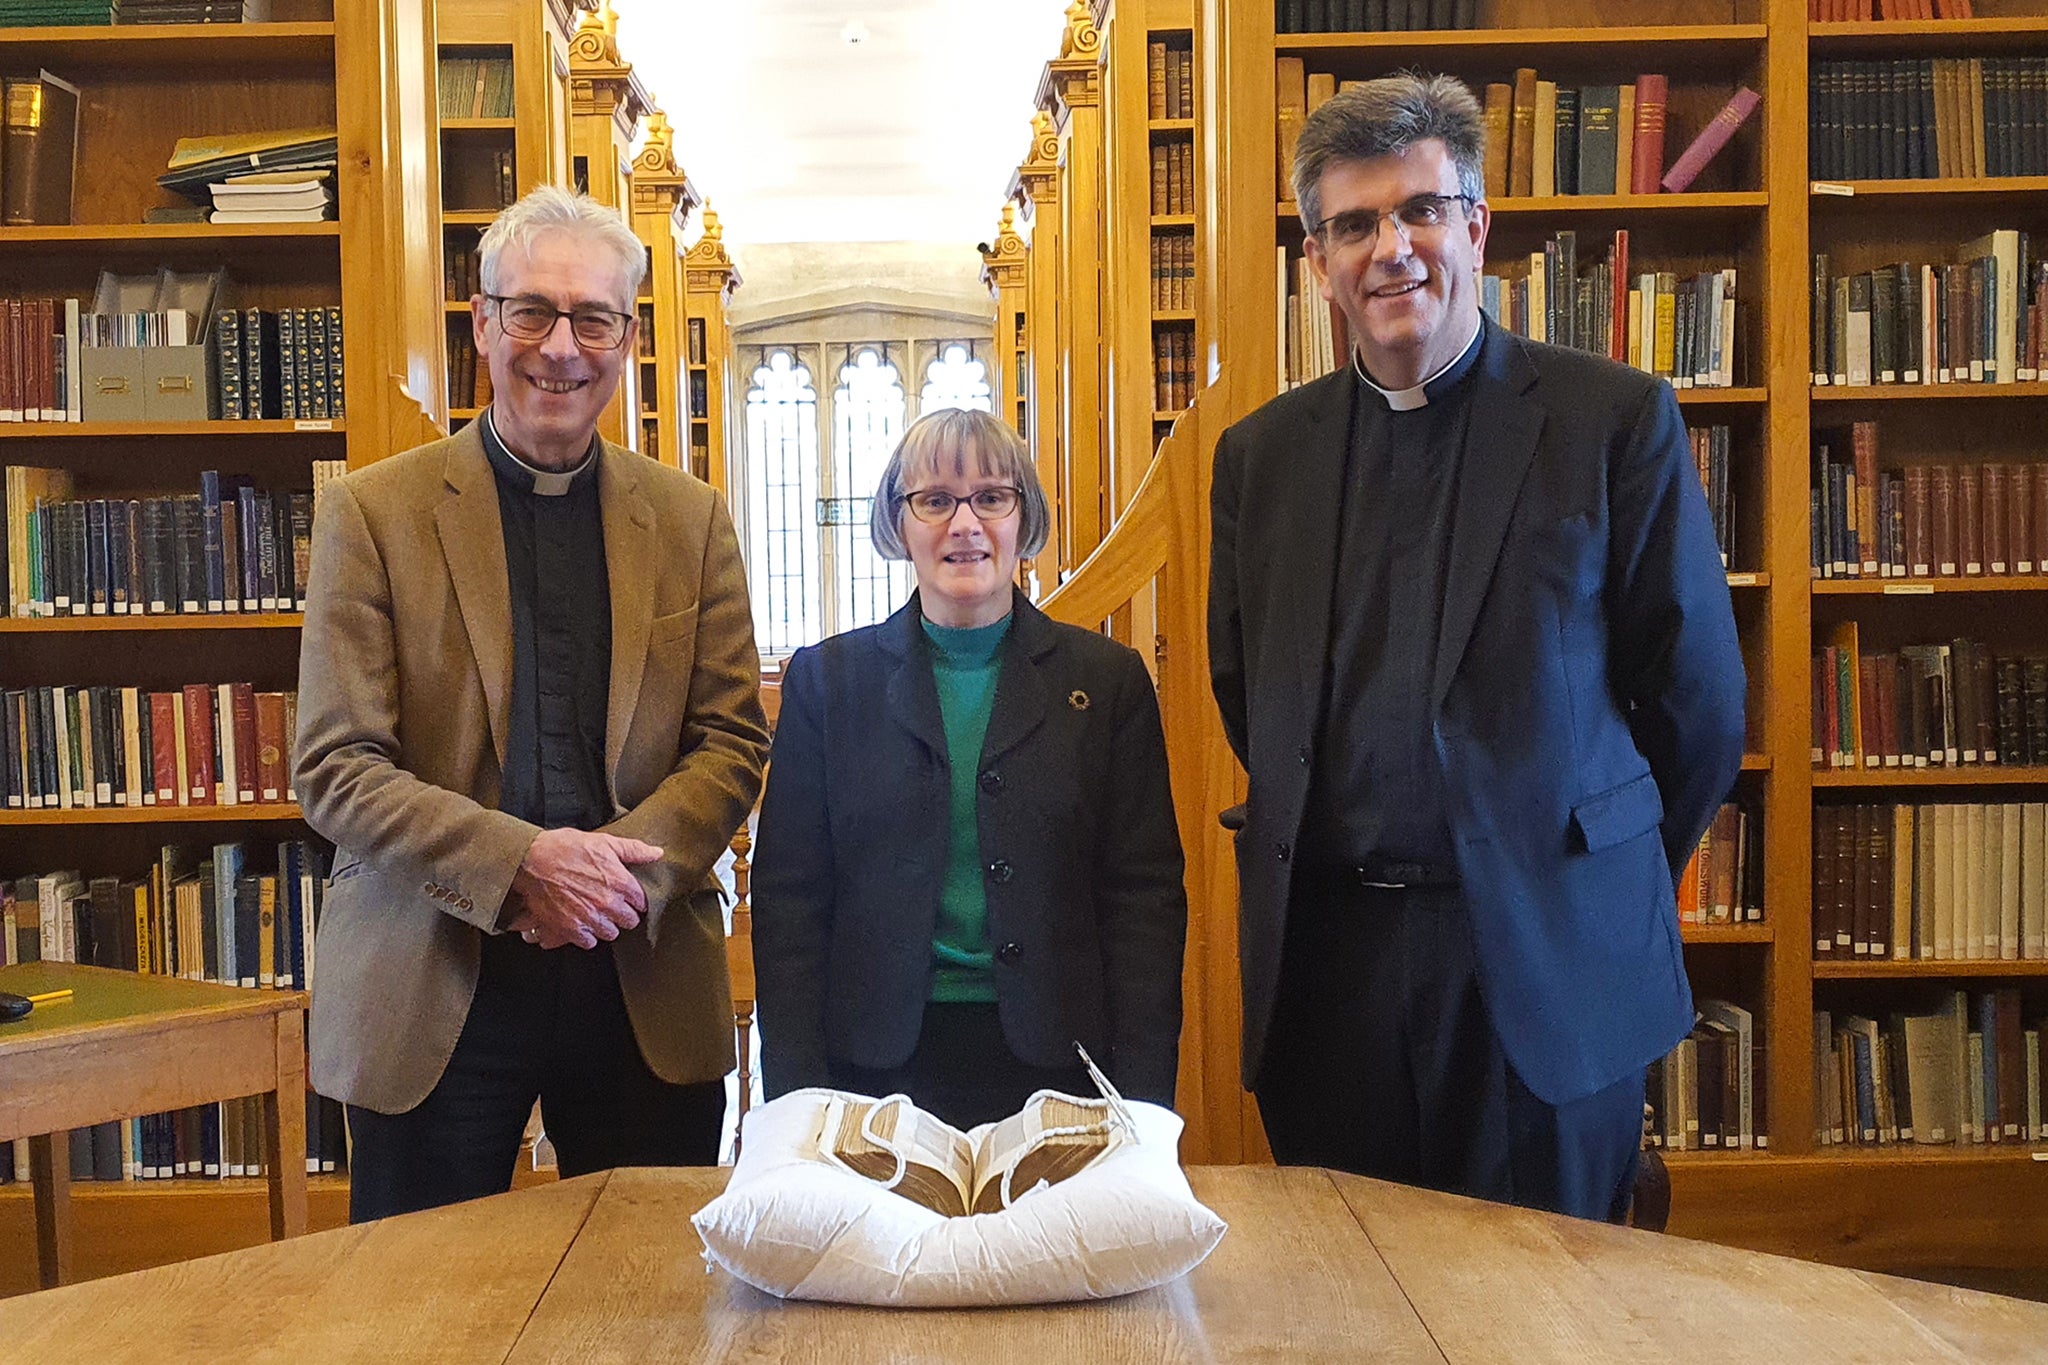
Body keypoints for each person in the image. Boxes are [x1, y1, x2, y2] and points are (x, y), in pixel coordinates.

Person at [1208, 74, 1746, 1221]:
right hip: (1331, 972)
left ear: (1473, 225)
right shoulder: (1260, 461)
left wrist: (1588, 862)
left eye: (1417, 210)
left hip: (1544, 962)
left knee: (1546, 1314)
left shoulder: (1611, 422)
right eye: (1351, 224)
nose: (1389, 249)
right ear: (1316, 262)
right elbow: (1245, 689)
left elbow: (1694, 705)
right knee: (1349, 1301)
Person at [295, 185, 770, 1222]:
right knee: (421, 1312)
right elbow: (335, 765)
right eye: (531, 312)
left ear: (628, 338)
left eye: (592, 318)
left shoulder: (689, 521)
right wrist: (522, 867)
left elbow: (730, 740)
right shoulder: (373, 513)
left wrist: (609, 882)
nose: (561, 347)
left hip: (636, 970)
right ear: (481, 324)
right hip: (435, 969)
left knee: (648, 1306)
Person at [752, 407, 1186, 1129]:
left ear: (1024, 517)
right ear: (899, 522)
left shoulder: (1108, 683)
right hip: (873, 1071)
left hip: (1062, 1068)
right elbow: (792, 903)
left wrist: (1142, 1104)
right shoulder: (827, 683)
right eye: (935, 500)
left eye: (991, 496)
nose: (965, 524)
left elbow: (1143, 902)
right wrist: (796, 1105)